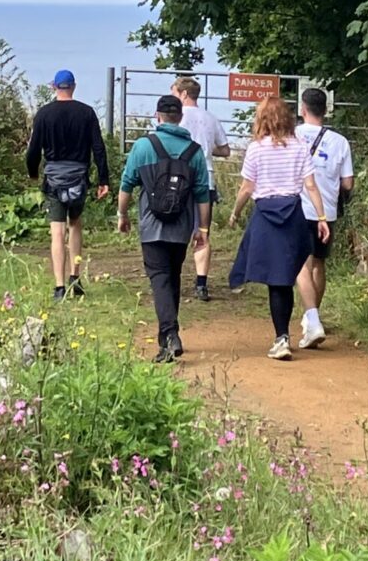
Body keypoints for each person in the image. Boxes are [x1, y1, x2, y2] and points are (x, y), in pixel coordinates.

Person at [226, 97, 331, 360]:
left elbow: (247, 188)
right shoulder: (299, 147)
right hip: (293, 213)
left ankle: (281, 338)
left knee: (276, 279)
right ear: (286, 117)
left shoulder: (255, 149)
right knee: (286, 276)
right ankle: (286, 335)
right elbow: (310, 185)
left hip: (266, 216)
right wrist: (321, 217)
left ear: (262, 119)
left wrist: (235, 213)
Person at [115, 94, 214, 363]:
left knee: (159, 278)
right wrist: (202, 230)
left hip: (151, 225)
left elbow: (126, 185)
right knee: (173, 275)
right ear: (180, 117)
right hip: (181, 228)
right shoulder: (194, 152)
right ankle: (169, 333)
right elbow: (202, 195)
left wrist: (122, 215)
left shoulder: (144, 146)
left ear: (157, 116)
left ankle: (170, 337)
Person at [24, 69, 110, 303]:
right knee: (75, 225)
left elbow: (33, 150)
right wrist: (104, 180)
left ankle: (59, 287)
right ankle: (75, 277)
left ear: (54, 87)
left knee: (57, 232)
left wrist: (33, 172)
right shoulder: (87, 113)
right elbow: (98, 148)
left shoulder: (44, 114)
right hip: (79, 178)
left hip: (53, 178)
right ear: (73, 86)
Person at [293, 86, 354, 350]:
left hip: (299, 208)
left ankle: (312, 319)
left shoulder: (292, 136)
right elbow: (348, 183)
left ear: (302, 109)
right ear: (326, 110)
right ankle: (312, 317)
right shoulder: (340, 141)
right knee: (318, 264)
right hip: (326, 211)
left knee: (300, 266)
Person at [171, 76, 231, 301]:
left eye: (175, 92)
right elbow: (225, 150)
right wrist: (205, 150)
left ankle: (172, 278)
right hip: (206, 179)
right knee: (203, 232)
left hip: (179, 179)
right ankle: (201, 283)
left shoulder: (177, 117)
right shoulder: (210, 118)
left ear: (183, 94)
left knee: (176, 230)